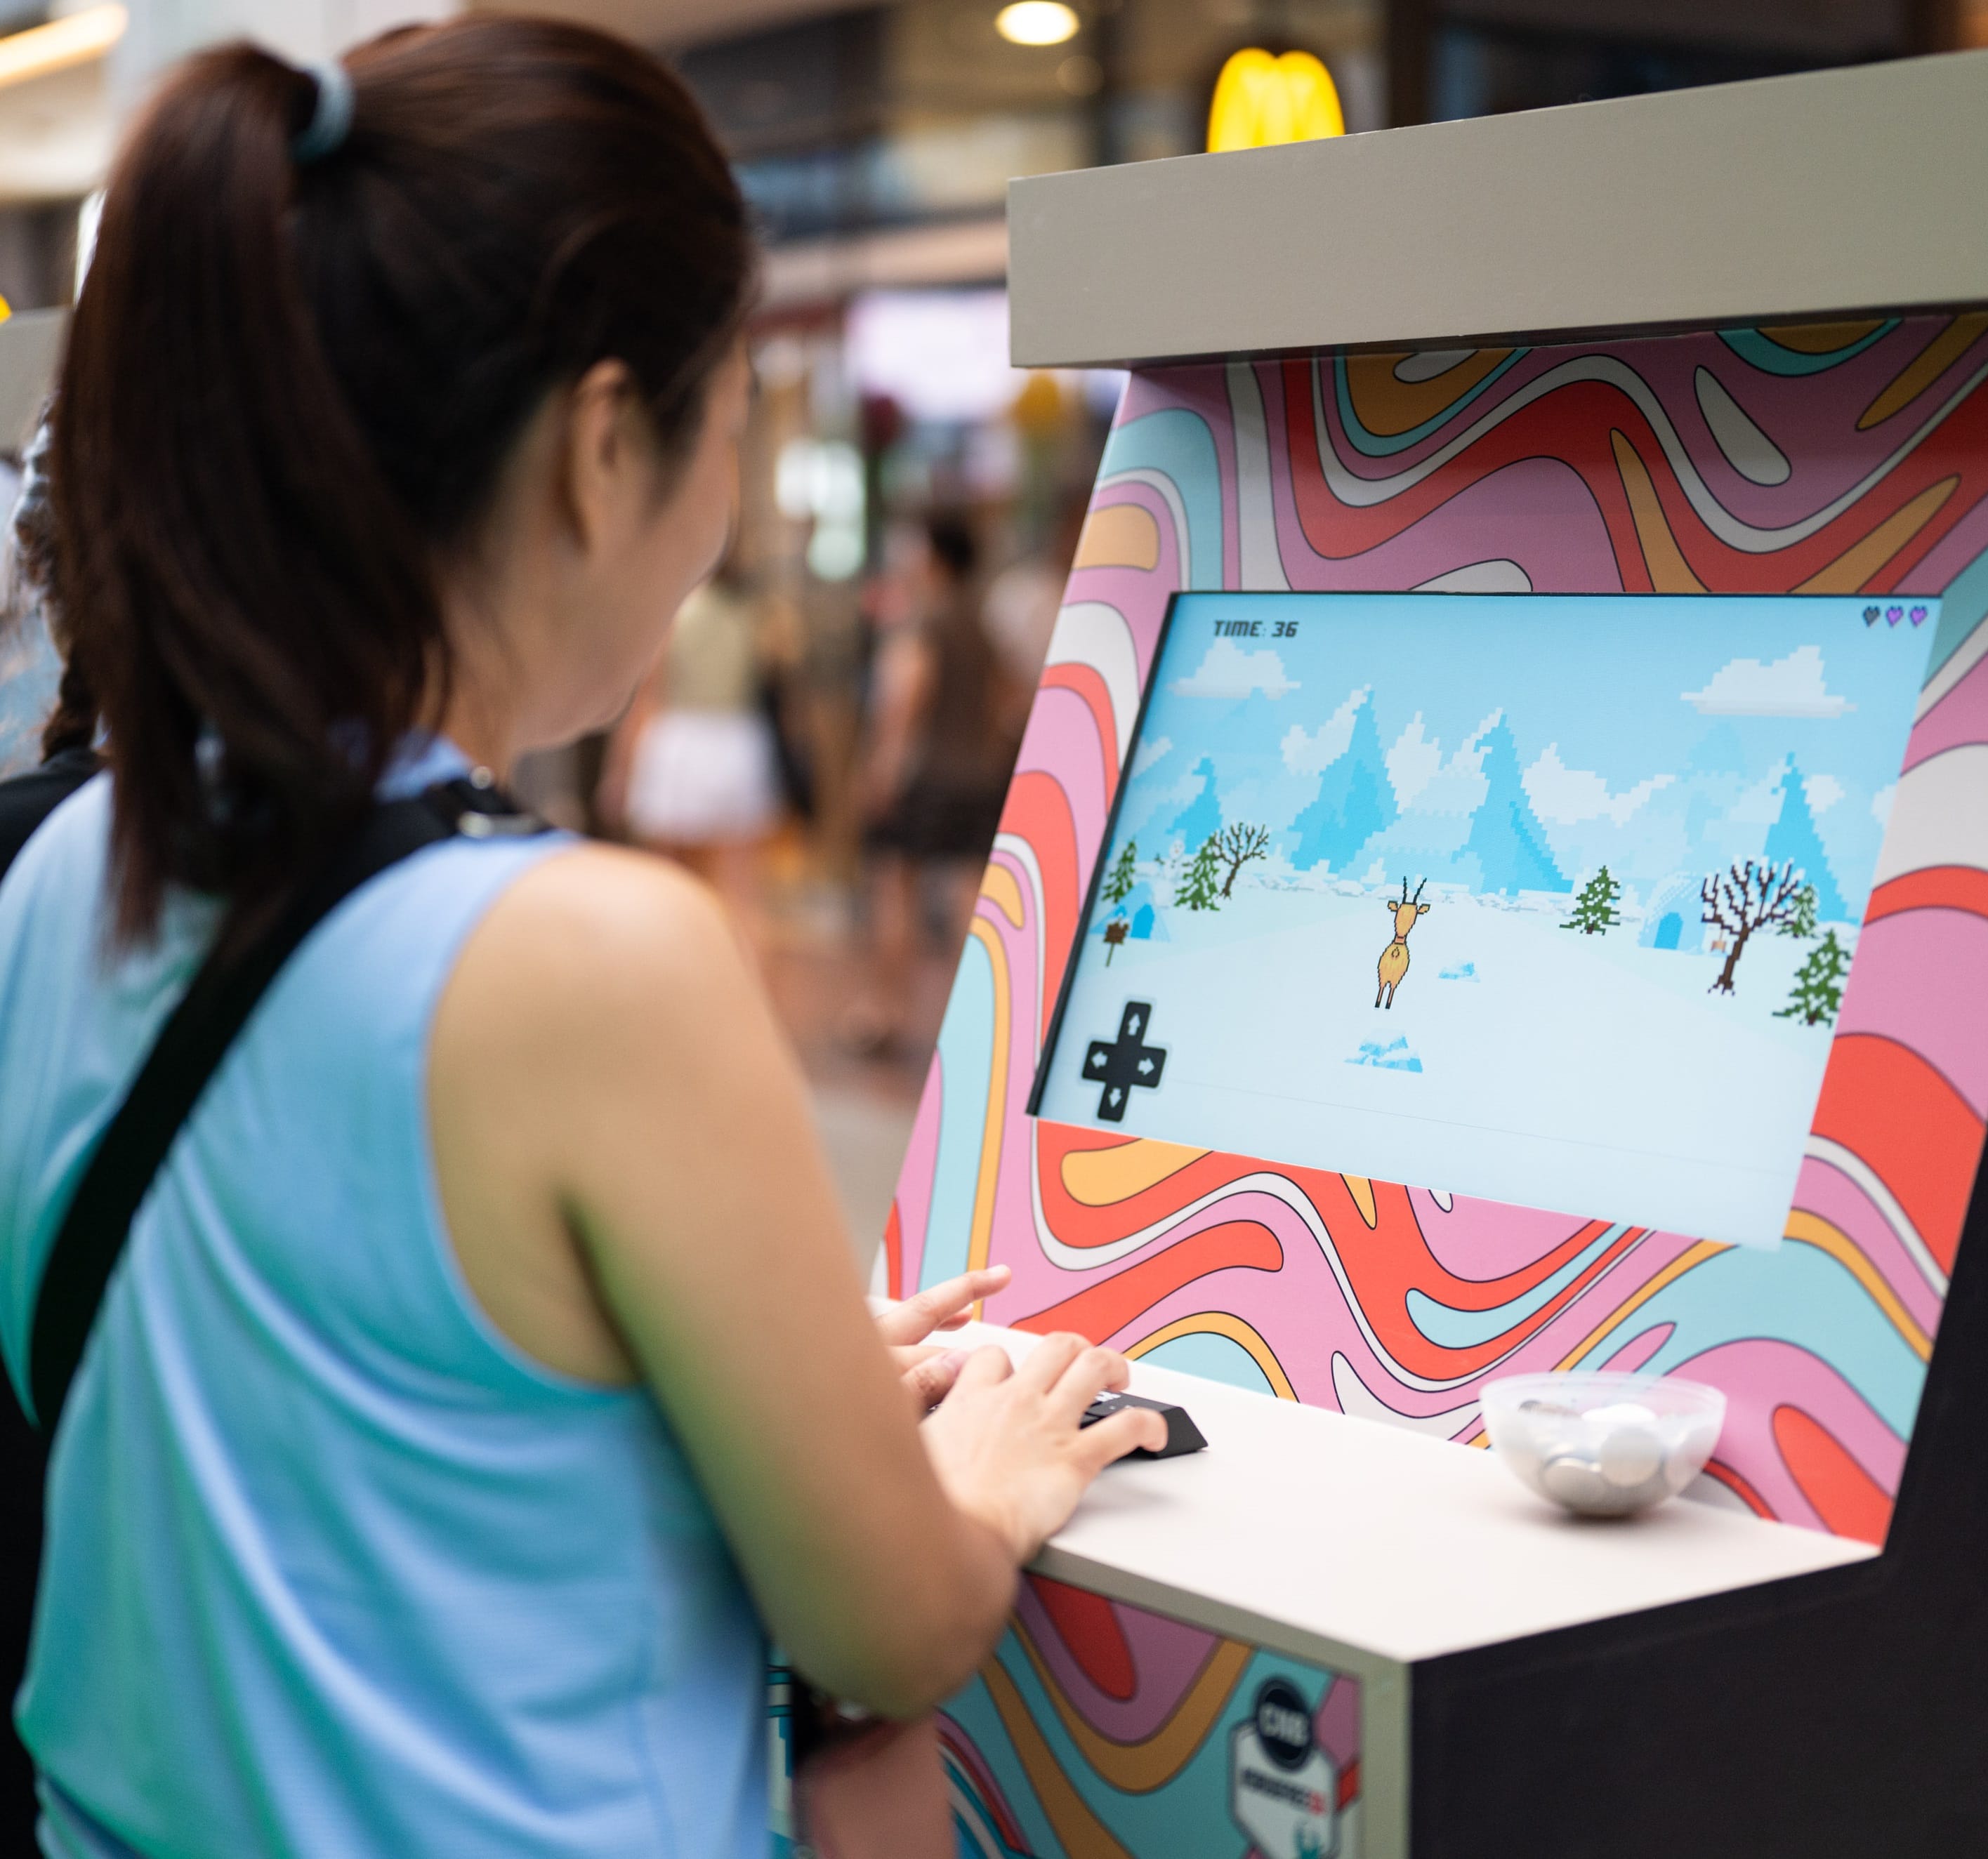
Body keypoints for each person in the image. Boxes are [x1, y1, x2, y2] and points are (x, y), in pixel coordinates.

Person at [0, 23, 1161, 1858]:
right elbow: (894, 1622)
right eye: (725, 425)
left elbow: (293, 1413)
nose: (715, 517)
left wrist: (712, 1356)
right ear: (605, 445)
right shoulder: (590, 958)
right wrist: (975, 1479)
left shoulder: (74, 872)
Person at [850, 514, 1020, 1054]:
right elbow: (1007, 699)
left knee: (893, 891)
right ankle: (978, 1020)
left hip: (924, 778)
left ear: (935, 558)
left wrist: (880, 769)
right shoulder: (983, 624)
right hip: (977, 777)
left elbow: (906, 699)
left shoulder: (927, 623)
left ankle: (885, 1016)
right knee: (970, 897)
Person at [602, 561, 784, 939]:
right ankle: (744, 979)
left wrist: (619, 770)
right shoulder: (752, 615)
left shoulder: (674, 613)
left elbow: (649, 695)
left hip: (683, 743)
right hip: (738, 743)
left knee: (667, 877)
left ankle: (672, 968)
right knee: (740, 887)